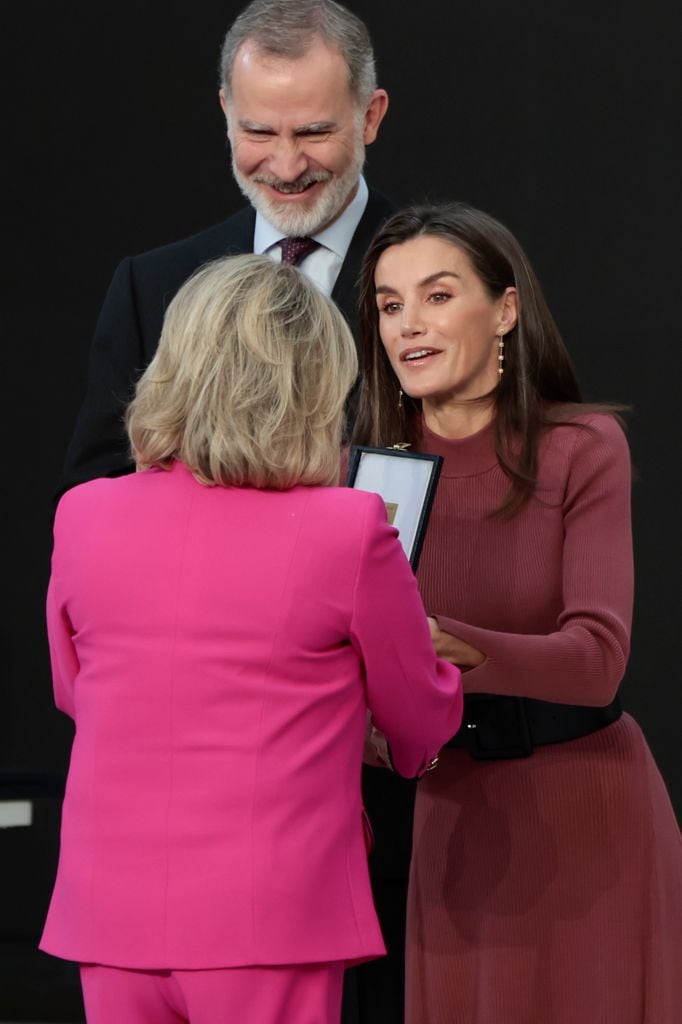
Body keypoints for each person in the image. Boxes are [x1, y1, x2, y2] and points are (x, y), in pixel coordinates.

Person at [41, 254, 463, 1024]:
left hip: (108, 910)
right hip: (270, 915)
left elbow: (77, 693)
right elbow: (419, 721)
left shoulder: (84, 514)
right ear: (314, 390)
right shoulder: (349, 527)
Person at [353, 203, 682, 1024]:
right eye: (391, 305)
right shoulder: (364, 473)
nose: (408, 325)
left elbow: (598, 655)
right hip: (454, 822)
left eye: (436, 295)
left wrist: (438, 647)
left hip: (587, 822)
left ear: (504, 309)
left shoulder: (582, 445)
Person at [57, 0, 391, 499]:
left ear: (370, 117)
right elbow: (94, 496)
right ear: (226, 116)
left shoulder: (441, 277)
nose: (286, 166)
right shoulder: (150, 287)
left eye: (313, 132)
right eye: (258, 131)